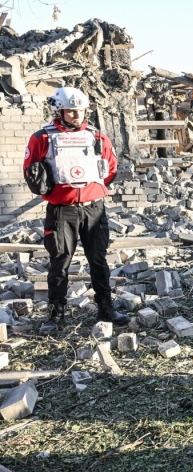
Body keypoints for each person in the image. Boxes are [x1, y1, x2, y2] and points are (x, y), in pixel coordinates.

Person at [23, 87, 130, 335]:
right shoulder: (42, 138)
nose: (76, 115)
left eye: (80, 110)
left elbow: (111, 168)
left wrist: (91, 190)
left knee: (98, 260)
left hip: (94, 209)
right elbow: (31, 171)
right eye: (70, 110)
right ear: (59, 110)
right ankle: (55, 314)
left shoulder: (97, 137)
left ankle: (106, 309)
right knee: (60, 262)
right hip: (62, 211)